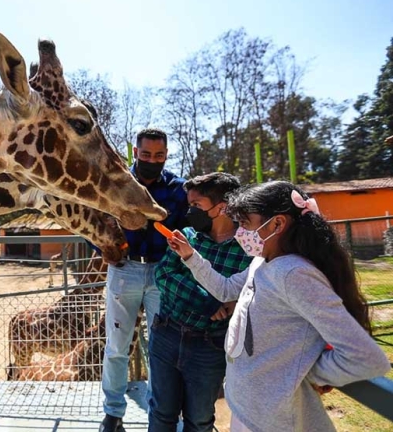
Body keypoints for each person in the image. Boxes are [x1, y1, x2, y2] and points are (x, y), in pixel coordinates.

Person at [167, 180, 390, 432]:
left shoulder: (293, 273)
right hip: (250, 410)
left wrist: (302, 372)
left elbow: (366, 359)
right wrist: (190, 256)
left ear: (277, 224)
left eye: (246, 224)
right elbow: (226, 289)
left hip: (275, 420)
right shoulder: (261, 262)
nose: (240, 232)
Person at [100, 128, 188, 432]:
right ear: (135, 153)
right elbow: (94, 221)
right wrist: (103, 249)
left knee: (161, 348)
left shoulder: (178, 189)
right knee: (117, 346)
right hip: (124, 270)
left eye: (159, 156)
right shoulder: (117, 184)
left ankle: (162, 413)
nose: (153, 160)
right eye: (147, 154)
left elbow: (188, 231)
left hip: (163, 272)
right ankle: (113, 413)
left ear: (166, 155)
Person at [148, 172, 252, 432]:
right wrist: (208, 303)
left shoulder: (246, 249)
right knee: (161, 414)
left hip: (210, 346)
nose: (189, 211)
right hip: (167, 333)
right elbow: (163, 275)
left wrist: (221, 300)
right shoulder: (187, 236)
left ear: (222, 207)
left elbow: (241, 292)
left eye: (197, 205)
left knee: (200, 419)